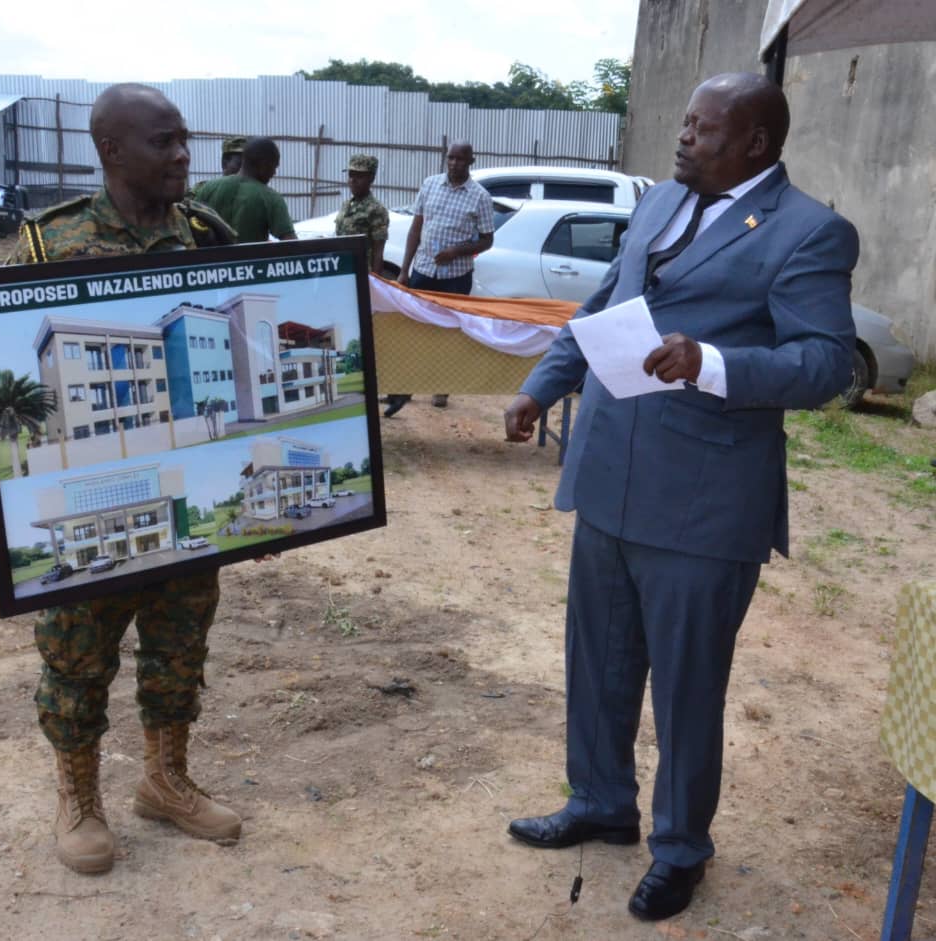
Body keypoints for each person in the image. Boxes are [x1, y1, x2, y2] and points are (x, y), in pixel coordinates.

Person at [503, 72, 858, 921]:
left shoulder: (809, 232)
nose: (683, 137)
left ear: (755, 146)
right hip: (609, 476)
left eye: (702, 128)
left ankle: (681, 848)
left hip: (703, 502)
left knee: (687, 687)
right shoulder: (661, 200)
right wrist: (541, 386)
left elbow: (827, 363)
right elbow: (603, 303)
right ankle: (599, 802)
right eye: (686, 122)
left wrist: (713, 361)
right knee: (597, 662)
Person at [0, 83, 242, 876]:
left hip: (183, 492)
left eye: (185, 140)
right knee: (77, 654)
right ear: (110, 151)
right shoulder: (44, 245)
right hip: (88, 495)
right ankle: (79, 798)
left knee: (180, 645)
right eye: (164, 142)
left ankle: (165, 780)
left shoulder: (207, 235)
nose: (182, 156)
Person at [388, 141, 494, 416]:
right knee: (416, 329)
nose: (455, 163)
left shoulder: (480, 197)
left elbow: (487, 240)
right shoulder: (430, 184)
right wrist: (404, 270)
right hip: (423, 271)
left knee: (449, 333)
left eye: (461, 159)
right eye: (451, 158)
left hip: (455, 277)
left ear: (472, 160)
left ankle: (441, 387)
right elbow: (415, 229)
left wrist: (457, 251)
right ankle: (405, 387)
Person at [192, 136, 297, 244]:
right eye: (274, 167)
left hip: (212, 260)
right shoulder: (271, 198)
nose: (274, 173)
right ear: (264, 165)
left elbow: (191, 230)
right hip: (252, 260)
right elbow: (291, 244)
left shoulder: (208, 188)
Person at [333, 154, 389, 275]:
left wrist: (375, 282)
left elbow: (378, 252)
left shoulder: (376, 210)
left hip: (362, 274)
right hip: (343, 270)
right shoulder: (347, 205)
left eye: (359, 176)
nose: (353, 180)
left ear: (371, 179)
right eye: (351, 175)